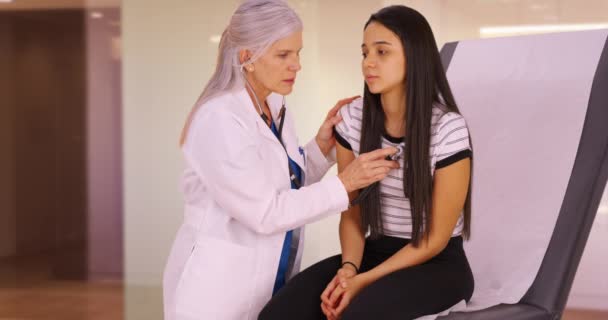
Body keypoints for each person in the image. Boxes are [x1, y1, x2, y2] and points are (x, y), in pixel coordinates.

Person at [162, 1, 399, 319]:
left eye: (298, 53)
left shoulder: (273, 106)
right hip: (215, 293)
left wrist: (321, 148)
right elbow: (266, 212)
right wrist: (345, 184)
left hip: (267, 281)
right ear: (247, 57)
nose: (296, 65)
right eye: (284, 55)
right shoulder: (219, 119)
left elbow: (282, 185)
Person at [259, 5, 474, 320]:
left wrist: (364, 281)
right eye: (365, 52)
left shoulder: (447, 128)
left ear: (414, 57)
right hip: (372, 254)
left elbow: (436, 238)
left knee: (356, 315)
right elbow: (353, 215)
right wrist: (349, 270)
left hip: (437, 263)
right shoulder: (353, 119)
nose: (368, 63)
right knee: (280, 314)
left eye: (382, 52)